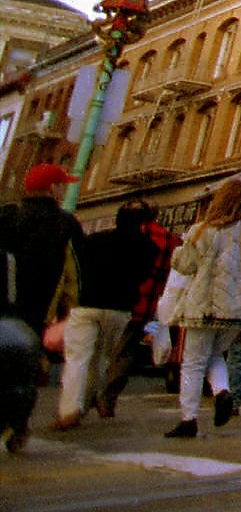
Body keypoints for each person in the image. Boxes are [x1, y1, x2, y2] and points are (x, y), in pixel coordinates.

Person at [165, 179, 241, 439]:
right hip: (238, 311)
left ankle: (190, 418)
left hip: (203, 306)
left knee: (194, 362)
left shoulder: (204, 229)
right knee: (216, 354)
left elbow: (184, 265)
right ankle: (221, 391)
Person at [53, 203, 161, 431]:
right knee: (100, 358)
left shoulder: (95, 240)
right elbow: (144, 277)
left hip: (87, 304)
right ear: (143, 222)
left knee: (77, 358)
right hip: (119, 309)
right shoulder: (149, 248)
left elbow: (78, 269)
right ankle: (83, 404)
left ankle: (69, 408)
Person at [0, 163, 85, 453]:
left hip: (3, 304)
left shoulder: (6, 216)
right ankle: (16, 427)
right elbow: (73, 274)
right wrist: (68, 314)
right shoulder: (65, 224)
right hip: (37, 313)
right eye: (63, 185)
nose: (65, 190)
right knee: (25, 374)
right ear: (53, 189)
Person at [95, 202, 177, 419]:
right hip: (145, 305)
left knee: (100, 349)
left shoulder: (122, 235)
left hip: (113, 301)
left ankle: (90, 394)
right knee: (125, 352)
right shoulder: (170, 240)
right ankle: (109, 396)